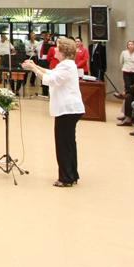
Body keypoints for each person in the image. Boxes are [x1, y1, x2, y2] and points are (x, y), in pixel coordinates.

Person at [22, 38, 85, 187]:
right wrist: (35, 65)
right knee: (68, 143)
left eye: (57, 48)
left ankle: (66, 178)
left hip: (67, 110)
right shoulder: (65, 65)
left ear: (63, 51)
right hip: (70, 110)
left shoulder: (67, 66)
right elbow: (51, 72)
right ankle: (71, 174)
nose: (54, 50)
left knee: (63, 144)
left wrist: (33, 69)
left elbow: (50, 79)